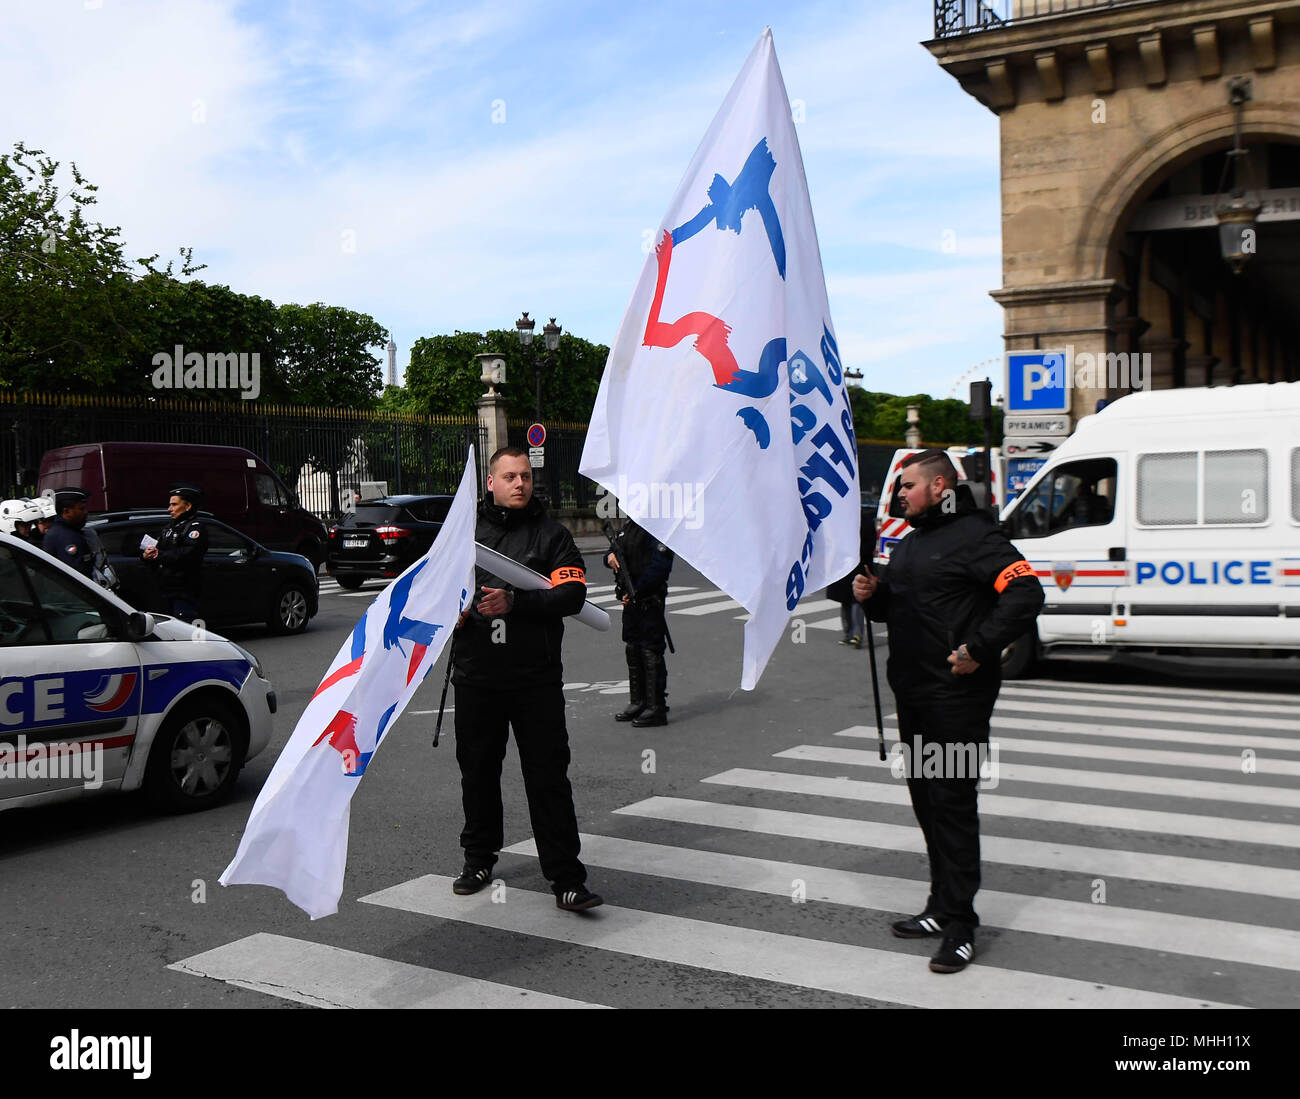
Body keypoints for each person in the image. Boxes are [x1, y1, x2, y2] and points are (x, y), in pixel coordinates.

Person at [854, 449, 1042, 974]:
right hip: (913, 695)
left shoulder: (979, 538)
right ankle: (940, 906)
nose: (899, 496)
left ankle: (961, 924)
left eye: (907, 486)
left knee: (953, 807)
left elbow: (1025, 594)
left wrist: (980, 649)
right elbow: (900, 607)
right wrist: (872, 597)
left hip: (956, 701)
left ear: (940, 486)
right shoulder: (912, 544)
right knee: (927, 804)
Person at [449, 446, 602, 911]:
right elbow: (434, 589)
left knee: (548, 779)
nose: (520, 484)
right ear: (490, 482)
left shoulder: (553, 535)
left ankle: (566, 879)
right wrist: (450, 613)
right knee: (477, 775)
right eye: (510, 477)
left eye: (526, 477)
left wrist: (515, 602)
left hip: (535, 681)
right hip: (476, 678)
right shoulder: (465, 535)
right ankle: (478, 859)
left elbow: (573, 595)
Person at [604, 518, 674, 726]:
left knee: (650, 650)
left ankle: (656, 707)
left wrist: (639, 592)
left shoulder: (657, 528)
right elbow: (613, 550)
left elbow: (660, 566)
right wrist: (609, 556)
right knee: (633, 648)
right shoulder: (629, 527)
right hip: (631, 599)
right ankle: (638, 701)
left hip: (648, 599)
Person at [142, 486, 208, 623]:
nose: (169, 509)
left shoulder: (196, 528)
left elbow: (187, 554)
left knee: (186, 629)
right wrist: (147, 555)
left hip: (184, 590)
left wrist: (159, 555)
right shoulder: (170, 527)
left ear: (188, 506)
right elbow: (159, 549)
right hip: (165, 588)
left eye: (174, 504)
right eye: (169, 504)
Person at [826, 508, 876, 648]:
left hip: (858, 565)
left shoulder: (865, 522)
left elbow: (869, 545)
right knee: (845, 602)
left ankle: (856, 635)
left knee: (856, 602)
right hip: (843, 567)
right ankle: (848, 634)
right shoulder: (841, 523)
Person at [42, 488, 94, 577]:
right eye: (81, 509)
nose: (85, 512)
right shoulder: (65, 536)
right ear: (66, 511)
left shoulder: (66, 531)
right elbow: (78, 574)